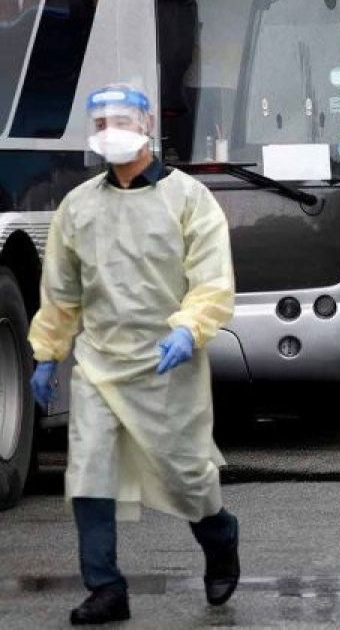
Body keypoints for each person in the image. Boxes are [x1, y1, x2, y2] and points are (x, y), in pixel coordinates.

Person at [27, 84, 239, 625]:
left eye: (120, 121)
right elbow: (62, 292)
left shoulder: (189, 199)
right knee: (89, 473)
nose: (110, 132)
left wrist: (189, 330)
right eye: (100, 124)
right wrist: (48, 353)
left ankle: (219, 536)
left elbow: (212, 280)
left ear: (146, 127)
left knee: (186, 476)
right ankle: (106, 587)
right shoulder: (79, 208)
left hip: (169, 365)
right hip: (100, 364)